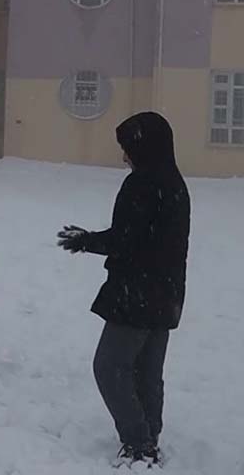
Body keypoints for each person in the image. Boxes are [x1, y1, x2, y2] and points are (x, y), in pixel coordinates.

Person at [57, 112, 189, 468]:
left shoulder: (142, 184)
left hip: (138, 293)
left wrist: (87, 241)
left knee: (110, 366)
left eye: (127, 147)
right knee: (146, 370)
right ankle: (149, 436)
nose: (124, 156)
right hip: (167, 292)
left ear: (142, 146)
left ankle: (138, 443)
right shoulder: (174, 182)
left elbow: (127, 240)